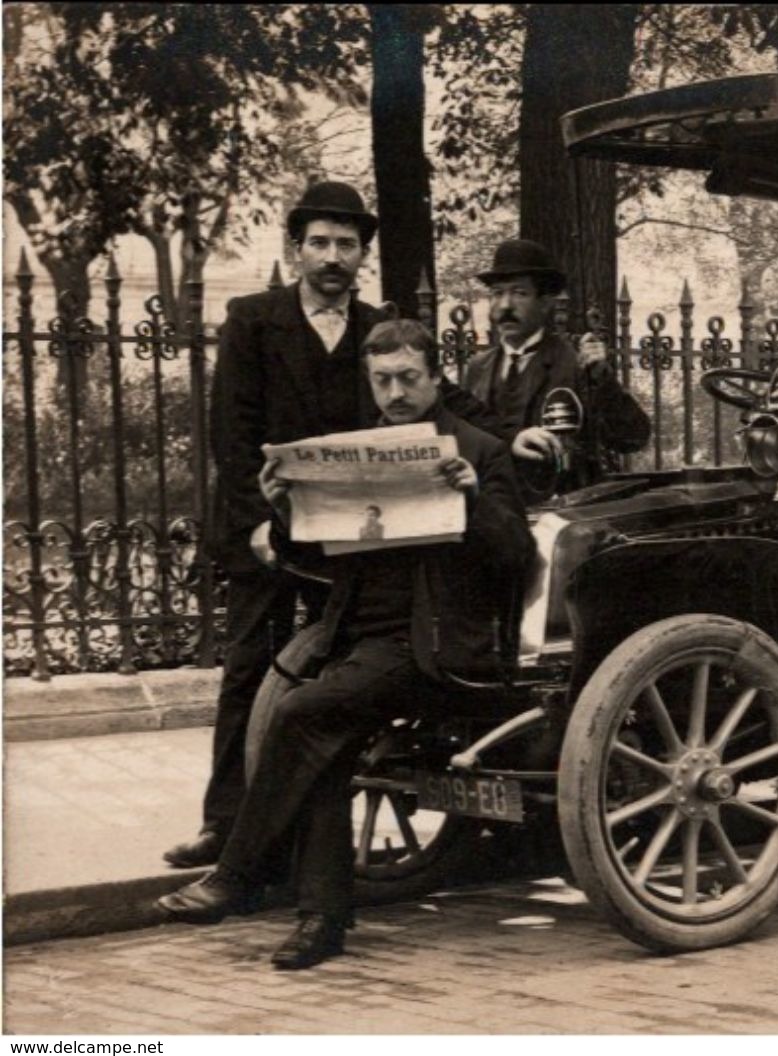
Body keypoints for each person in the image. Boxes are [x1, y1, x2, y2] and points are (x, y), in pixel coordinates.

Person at [156, 320, 533, 970]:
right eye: (382, 379)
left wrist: (472, 500)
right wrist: (283, 509)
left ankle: (239, 874)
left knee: (303, 715)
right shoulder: (362, 451)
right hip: (354, 636)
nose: (395, 392)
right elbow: (313, 552)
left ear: (435, 377)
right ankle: (321, 921)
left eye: (408, 378)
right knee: (322, 745)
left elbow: (517, 558)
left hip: (435, 646)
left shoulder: (478, 449)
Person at [168, 182, 501, 871]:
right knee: (249, 668)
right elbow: (232, 435)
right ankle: (224, 821)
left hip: (354, 534)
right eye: (319, 242)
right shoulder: (253, 319)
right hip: (272, 529)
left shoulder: (378, 326)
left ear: (362, 255)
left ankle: (313, 830)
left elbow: (445, 397)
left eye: (346, 245)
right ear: (297, 249)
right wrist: (259, 522)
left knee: (337, 677)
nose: (332, 257)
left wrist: (515, 436)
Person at [462, 239, 650, 501]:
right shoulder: (477, 368)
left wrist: (602, 379)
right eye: (497, 293)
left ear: (545, 303)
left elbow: (632, 438)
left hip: (563, 512)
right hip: (495, 512)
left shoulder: (574, 360)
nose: (505, 305)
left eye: (519, 293)